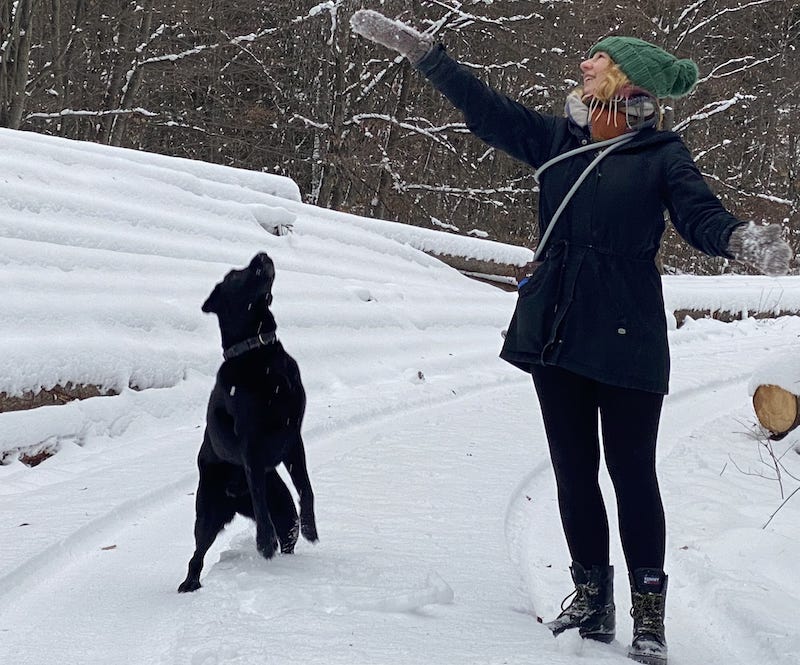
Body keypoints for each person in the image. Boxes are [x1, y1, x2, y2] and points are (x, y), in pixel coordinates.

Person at [350, 9, 792, 665]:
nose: (583, 64)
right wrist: (427, 55)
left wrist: (737, 238)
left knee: (632, 473)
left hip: (629, 332)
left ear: (623, 81)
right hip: (559, 328)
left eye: (597, 59)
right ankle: (592, 594)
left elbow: (699, 216)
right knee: (573, 469)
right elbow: (486, 109)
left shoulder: (662, 155)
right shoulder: (558, 138)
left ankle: (648, 615)